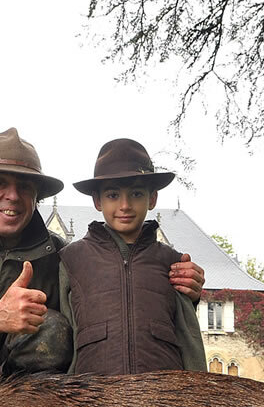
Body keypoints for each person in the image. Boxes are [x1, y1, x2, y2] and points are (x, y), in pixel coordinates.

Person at [0, 129, 205, 407]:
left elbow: (111, 300)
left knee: (52, 328)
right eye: (0, 183)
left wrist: (183, 290)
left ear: (36, 197)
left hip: (8, 389)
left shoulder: (61, 255)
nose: (12, 196)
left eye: (24, 186)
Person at [59, 138, 207, 374]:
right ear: (98, 201)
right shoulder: (72, 260)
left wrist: (201, 396)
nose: (125, 205)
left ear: (152, 199)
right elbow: (62, 342)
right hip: (94, 400)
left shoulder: (173, 263)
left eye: (136, 193)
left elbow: (190, 343)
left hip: (163, 399)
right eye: (113, 195)